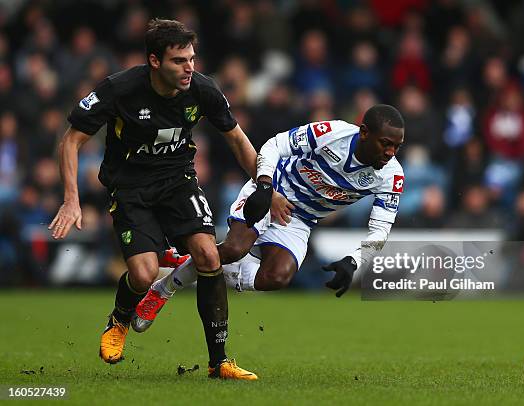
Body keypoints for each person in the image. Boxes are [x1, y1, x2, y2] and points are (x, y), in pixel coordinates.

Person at [48, 19, 267, 380]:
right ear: (154, 61)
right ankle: (119, 320)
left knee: (209, 254)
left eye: (192, 59)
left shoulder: (203, 89)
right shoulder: (119, 89)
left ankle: (220, 362)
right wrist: (71, 199)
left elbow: (238, 140)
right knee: (144, 273)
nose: (189, 68)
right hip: (131, 189)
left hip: (178, 181)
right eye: (179, 61)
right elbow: (71, 141)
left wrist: (264, 183)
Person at [132, 104, 405, 331]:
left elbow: (380, 231)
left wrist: (354, 261)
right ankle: (162, 290)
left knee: (277, 277)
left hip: (299, 219)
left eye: (397, 146)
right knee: (235, 249)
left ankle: (186, 260)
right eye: (386, 144)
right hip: (272, 191)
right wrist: (264, 186)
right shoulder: (332, 133)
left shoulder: (391, 176)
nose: (391, 152)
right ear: (365, 132)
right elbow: (276, 145)